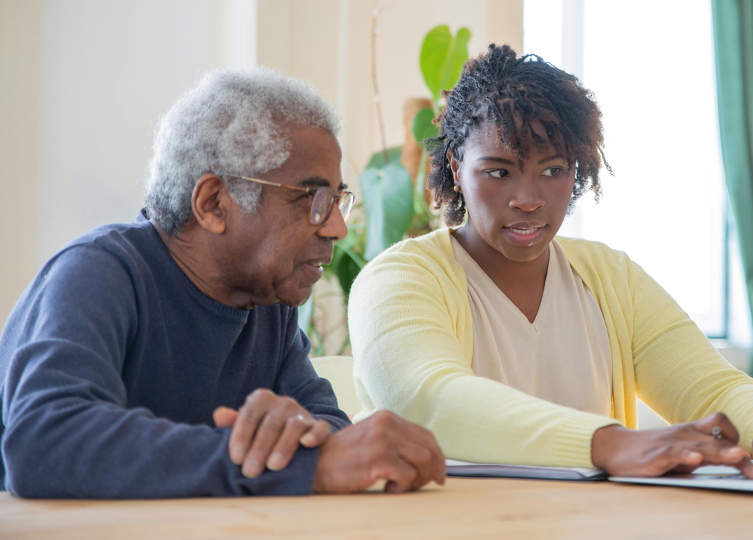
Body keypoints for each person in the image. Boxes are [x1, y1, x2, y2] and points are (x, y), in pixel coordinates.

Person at [348, 45, 753, 478]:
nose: (528, 199)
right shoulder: (399, 280)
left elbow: (708, 386)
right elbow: (430, 400)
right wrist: (609, 443)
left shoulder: (611, 277)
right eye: (498, 172)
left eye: (553, 170)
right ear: (456, 167)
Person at [0, 68, 445, 498]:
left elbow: (326, 422)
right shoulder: (98, 274)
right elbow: (45, 440)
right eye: (312, 200)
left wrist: (299, 440)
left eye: (336, 201)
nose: (336, 229)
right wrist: (293, 465)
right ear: (213, 203)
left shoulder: (268, 303)